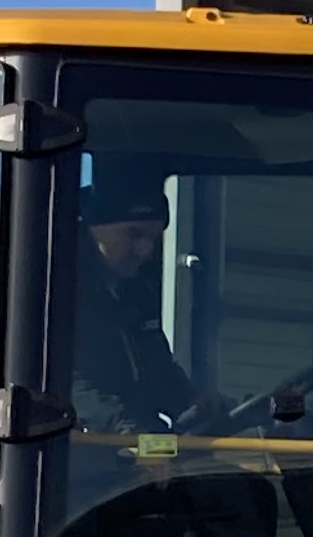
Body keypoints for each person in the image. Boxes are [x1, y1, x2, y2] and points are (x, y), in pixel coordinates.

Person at [69, 160, 212, 432]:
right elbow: (65, 382)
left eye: (154, 238)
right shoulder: (55, 294)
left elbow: (157, 370)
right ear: (91, 226)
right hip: (95, 453)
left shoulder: (135, 294)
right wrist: (124, 427)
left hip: (144, 446)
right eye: (133, 235)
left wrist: (194, 400)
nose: (145, 250)